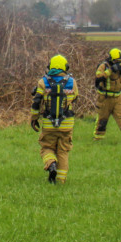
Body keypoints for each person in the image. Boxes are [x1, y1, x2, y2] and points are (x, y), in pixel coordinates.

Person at [30, 54, 78, 184]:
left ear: (49, 67)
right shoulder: (72, 82)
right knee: (63, 151)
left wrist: (34, 118)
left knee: (46, 147)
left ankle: (51, 164)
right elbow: (75, 97)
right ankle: (61, 181)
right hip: (67, 124)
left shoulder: (42, 82)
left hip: (49, 124)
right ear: (65, 67)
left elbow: (36, 103)